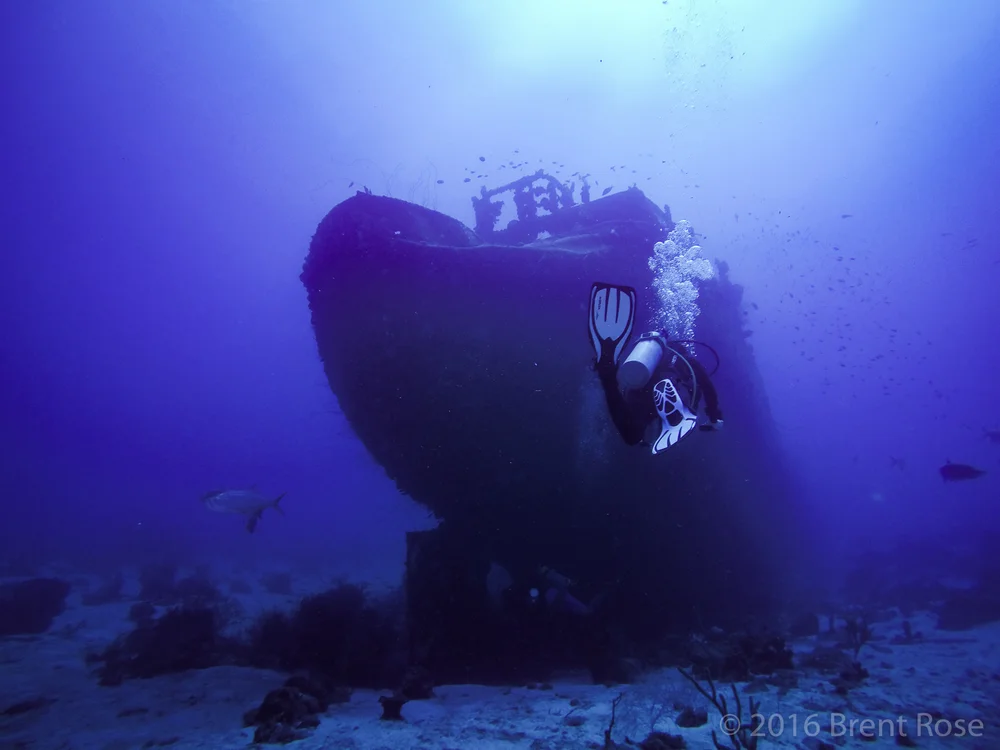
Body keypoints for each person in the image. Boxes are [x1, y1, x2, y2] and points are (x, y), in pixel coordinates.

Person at [588, 281, 723, 454]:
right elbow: (706, 386)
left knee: (631, 436)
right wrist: (714, 414)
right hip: (667, 383)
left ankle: (608, 378)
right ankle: (673, 408)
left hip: (640, 388)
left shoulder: (656, 355)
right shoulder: (684, 359)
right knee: (683, 389)